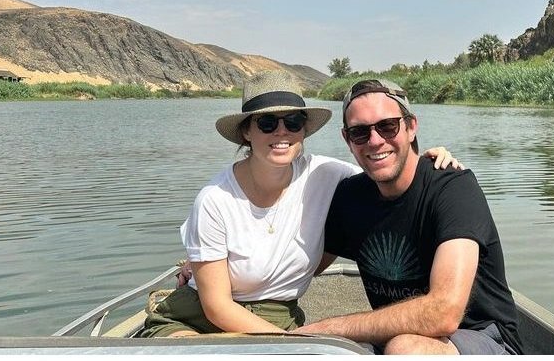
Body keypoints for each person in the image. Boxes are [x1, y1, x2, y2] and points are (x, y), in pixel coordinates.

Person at [139, 71, 461, 337]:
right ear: (247, 131)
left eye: (293, 121)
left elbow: (387, 168)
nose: (282, 131)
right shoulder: (214, 199)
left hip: (279, 319)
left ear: (304, 130)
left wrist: (427, 160)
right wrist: (290, 344)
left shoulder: (327, 175)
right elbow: (216, 307)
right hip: (197, 320)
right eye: (267, 123)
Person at [294, 78, 523, 355]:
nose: (375, 141)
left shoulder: (453, 188)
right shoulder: (350, 197)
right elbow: (297, 270)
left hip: (485, 339)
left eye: (388, 126)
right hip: (396, 339)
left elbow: (444, 312)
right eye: (360, 132)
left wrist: (326, 329)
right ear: (347, 139)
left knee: (405, 349)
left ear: (411, 127)